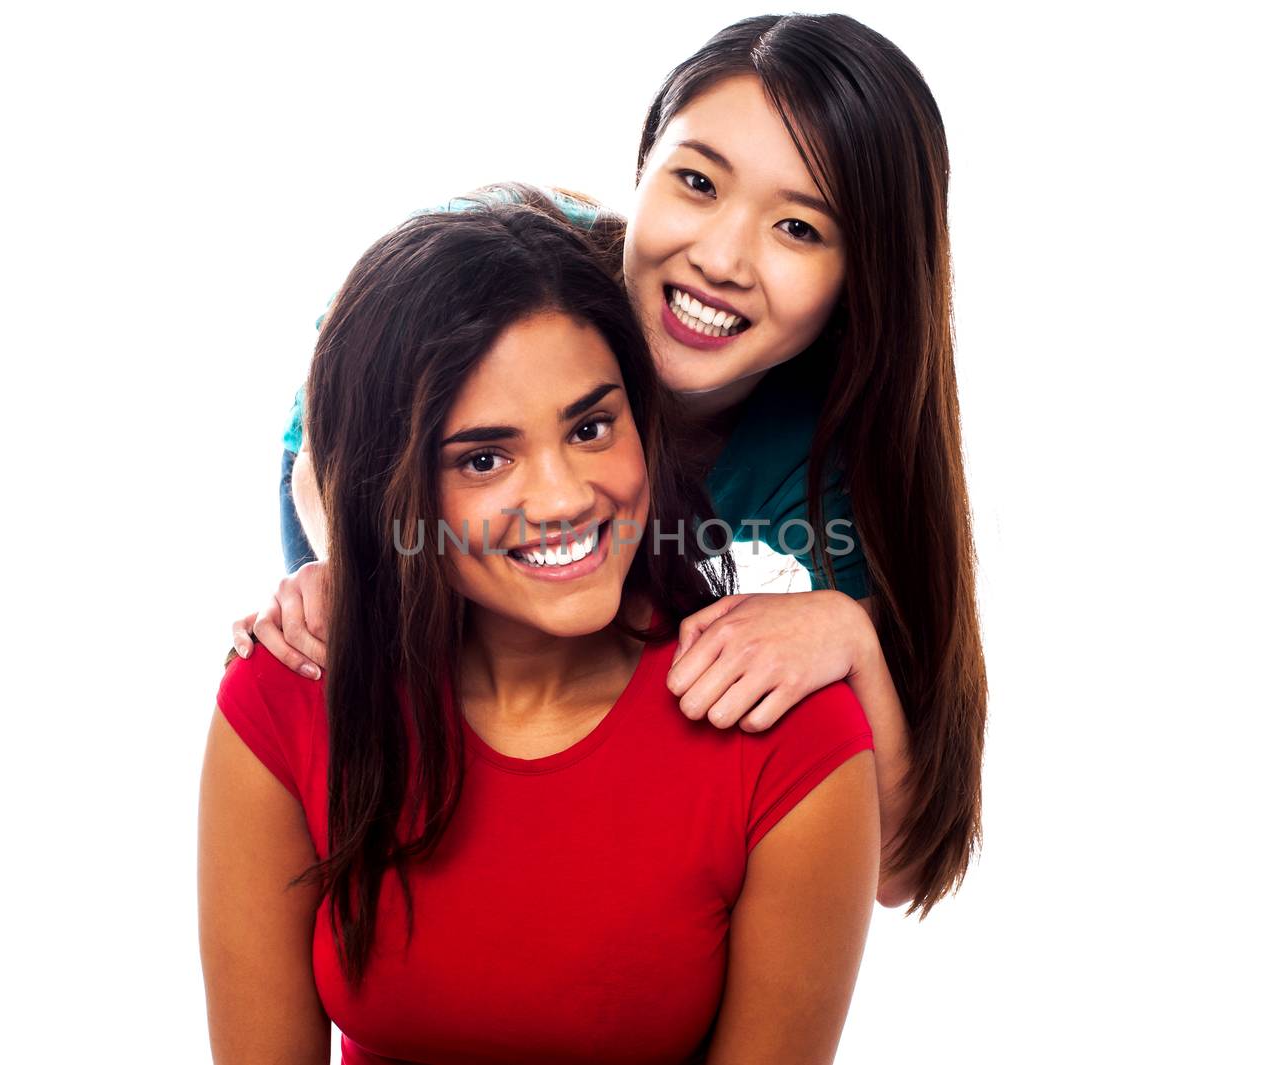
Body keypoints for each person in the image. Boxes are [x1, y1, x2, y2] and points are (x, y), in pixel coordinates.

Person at [240, 12, 986, 915]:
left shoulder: (832, 454)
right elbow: (327, 433)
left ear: (863, 277)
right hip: (370, 502)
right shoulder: (494, 271)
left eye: (798, 228)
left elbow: (898, 865)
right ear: (642, 171)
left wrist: (853, 637)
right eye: (698, 182)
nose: (719, 258)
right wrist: (354, 567)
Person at [200, 202, 882, 1063]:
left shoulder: (789, 739)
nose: (563, 499)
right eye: (484, 459)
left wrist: (854, 633)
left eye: (592, 427)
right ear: (393, 490)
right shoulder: (286, 695)